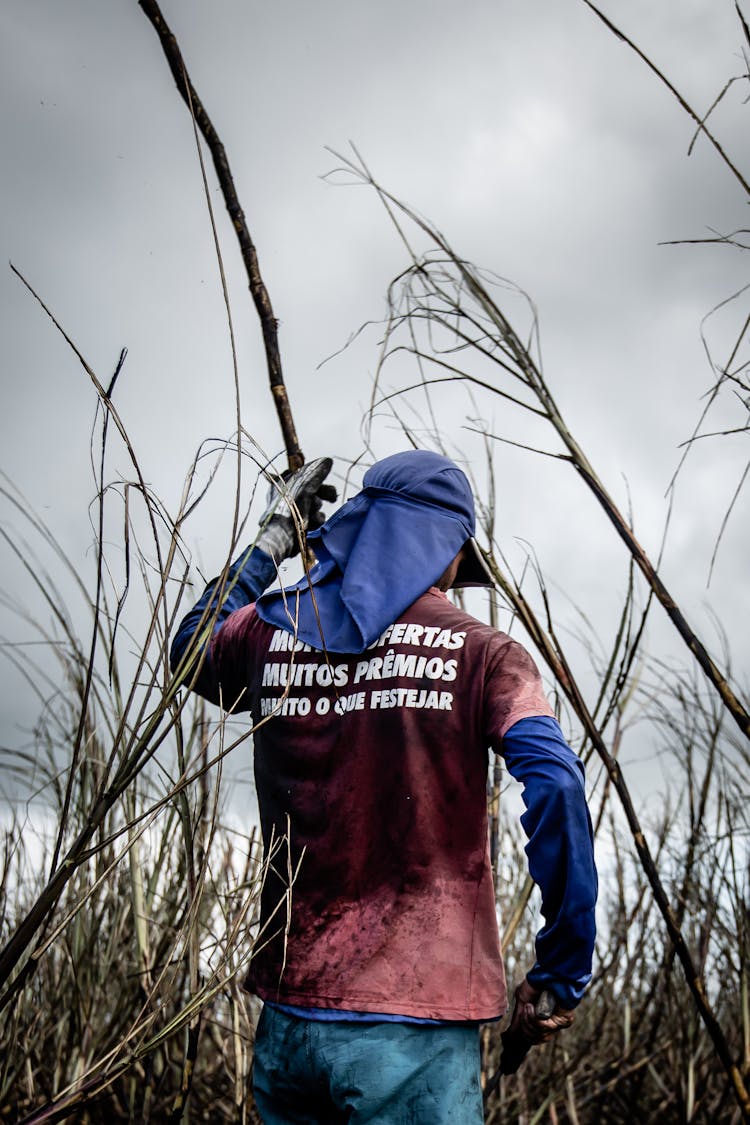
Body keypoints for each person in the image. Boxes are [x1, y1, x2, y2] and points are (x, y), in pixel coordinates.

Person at [170, 449, 597, 1124]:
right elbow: (555, 783)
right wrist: (561, 970)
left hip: (290, 1017)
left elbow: (191, 650)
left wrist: (272, 540)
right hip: (415, 1026)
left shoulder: (273, 630)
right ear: (450, 551)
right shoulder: (486, 655)